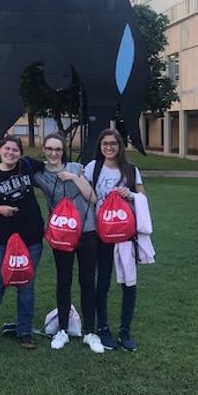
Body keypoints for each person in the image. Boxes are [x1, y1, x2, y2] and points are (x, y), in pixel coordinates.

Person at [0, 135, 44, 356]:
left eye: (15, 150)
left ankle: (24, 331)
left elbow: (53, 163)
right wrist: (0, 210)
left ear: (20, 153)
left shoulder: (28, 166)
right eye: (7, 149)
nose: (11, 153)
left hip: (30, 237)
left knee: (26, 286)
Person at [32, 132, 103, 353]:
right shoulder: (39, 174)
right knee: (63, 280)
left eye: (58, 149)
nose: (54, 153)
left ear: (64, 151)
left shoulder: (75, 168)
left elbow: (93, 198)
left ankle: (90, 331)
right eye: (50, 149)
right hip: (61, 234)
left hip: (86, 230)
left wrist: (74, 178)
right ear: (44, 150)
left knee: (87, 280)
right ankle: (62, 328)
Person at [84, 128, 146, 352]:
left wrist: (131, 195)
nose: (109, 147)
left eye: (113, 144)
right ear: (100, 146)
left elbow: (142, 196)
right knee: (103, 281)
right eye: (104, 144)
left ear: (120, 146)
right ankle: (103, 328)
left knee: (128, 282)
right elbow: (83, 190)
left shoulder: (131, 170)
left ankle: (125, 331)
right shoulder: (93, 167)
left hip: (125, 234)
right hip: (102, 233)